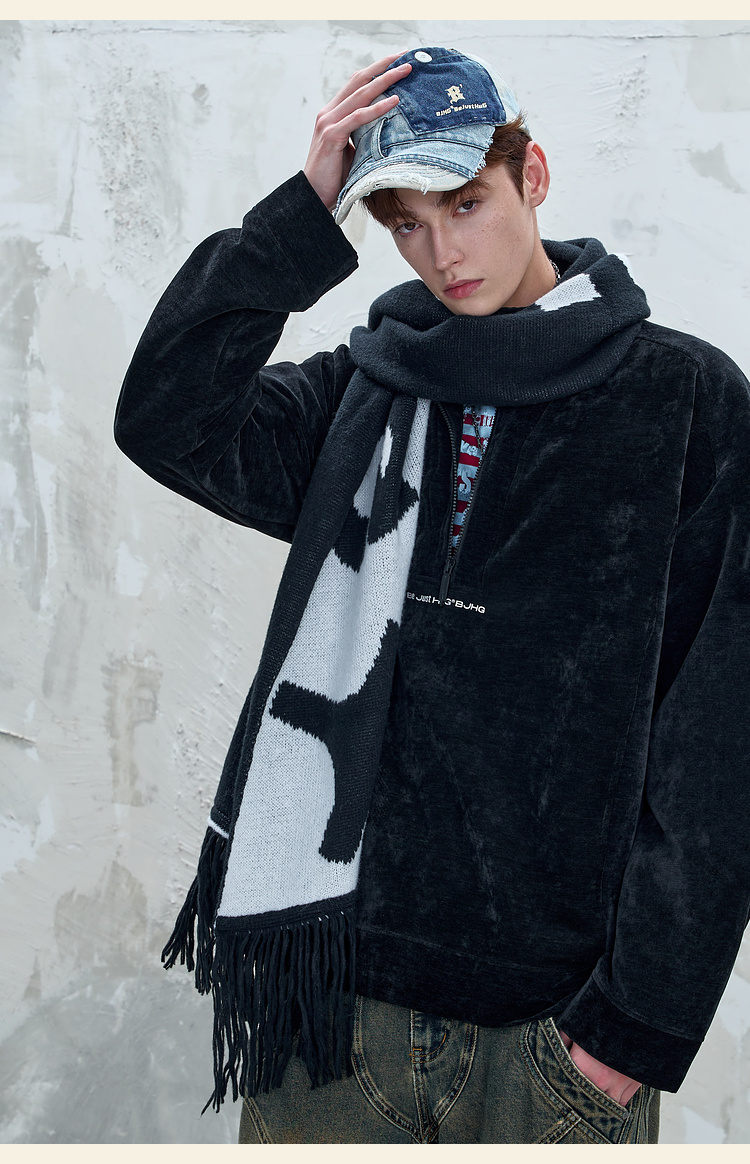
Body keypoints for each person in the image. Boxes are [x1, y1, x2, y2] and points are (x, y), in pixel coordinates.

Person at [114, 47, 750, 1145]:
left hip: (550, 1034)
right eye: (405, 222)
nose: (442, 252)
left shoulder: (685, 399)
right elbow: (168, 417)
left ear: (531, 176)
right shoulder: (366, 387)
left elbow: (722, 737)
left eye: (465, 203)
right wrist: (299, 220)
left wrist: (627, 1032)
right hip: (329, 1007)